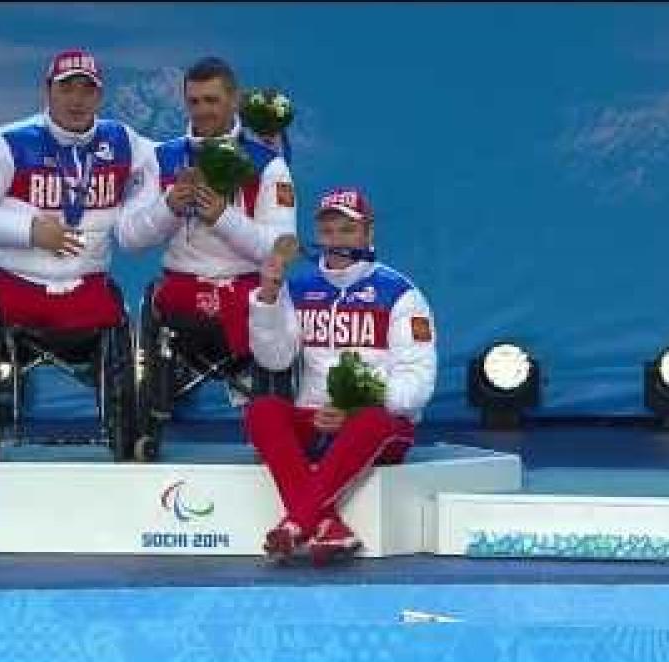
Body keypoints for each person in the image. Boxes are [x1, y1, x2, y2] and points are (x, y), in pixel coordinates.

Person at [245, 187, 437, 564]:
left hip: (376, 422)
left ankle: (295, 522)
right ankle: (329, 526)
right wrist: (268, 297)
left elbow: (418, 382)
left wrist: (358, 404)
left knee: (371, 421)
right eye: (329, 231)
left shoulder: (400, 293)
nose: (336, 241)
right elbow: (274, 357)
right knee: (263, 410)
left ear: (368, 234)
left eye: (347, 231)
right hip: (316, 417)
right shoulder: (298, 287)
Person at [0, 48, 155, 333]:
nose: (76, 100)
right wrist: (30, 230)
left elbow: (171, 161)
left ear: (99, 96)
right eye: (66, 88)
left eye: (87, 90)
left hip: (89, 292)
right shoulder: (10, 142)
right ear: (48, 91)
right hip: (15, 290)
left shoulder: (121, 141)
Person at [116, 56, 296, 380]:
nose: (201, 111)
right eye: (194, 101)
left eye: (211, 100)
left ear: (234, 100)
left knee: (275, 307)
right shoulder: (161, 158)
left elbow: (280, 248)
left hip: (247, 298)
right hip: (180, 298)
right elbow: (128, 239)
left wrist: (223, 217)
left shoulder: (269, 165)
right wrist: (168, 207)